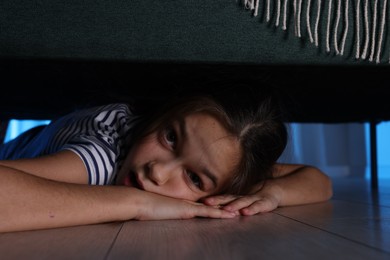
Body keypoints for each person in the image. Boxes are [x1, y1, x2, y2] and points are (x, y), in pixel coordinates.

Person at [0, 91, 332, 233]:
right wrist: (136, 202)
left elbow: (317, 179)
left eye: (195, 179)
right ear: (163, 114)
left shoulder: (228, 161)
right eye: (170, 137)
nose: (157, 171)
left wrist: (271, 195)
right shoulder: (97, 157)